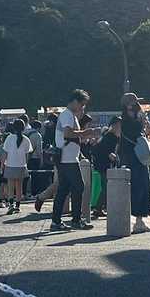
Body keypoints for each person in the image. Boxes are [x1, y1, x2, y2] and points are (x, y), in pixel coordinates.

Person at [50, 91, 91, 231]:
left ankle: (56, 221)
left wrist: (84, 135)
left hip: (66, 157)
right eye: (82, 104)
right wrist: (86, 133)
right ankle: (76, 220)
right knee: (78, 187)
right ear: (74, 101)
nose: (82, 107)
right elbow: (68, 133)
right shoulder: (67, 115)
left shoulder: (69, 115)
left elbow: (70, 135)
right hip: (67, 158)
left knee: (63, 189)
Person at [119, 94, 150, 234]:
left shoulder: (132, 120)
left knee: (143, 187)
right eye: (135, 103)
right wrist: (141, 120)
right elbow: (135, 134)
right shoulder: (127, 121)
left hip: (137, 157)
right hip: (134, 159)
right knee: (138, 187)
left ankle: (140, 221)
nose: (138, 106)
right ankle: (136, 221)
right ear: (129, 105)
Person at [89, 117, 121, 218]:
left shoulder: (111, 136)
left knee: (107, 187)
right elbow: (101, 149)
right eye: (118, 125)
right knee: (106, 187)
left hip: (105, 164)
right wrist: (110, 155)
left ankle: (100, 208)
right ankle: (98, 208)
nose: (120, 127)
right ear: (114, 126)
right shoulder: (109, 136)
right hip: (103, 165)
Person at [0, 117, 32, 214]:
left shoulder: (9, 138)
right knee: (19, 186)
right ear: (23, 128)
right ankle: (17, 206)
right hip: (21, 165)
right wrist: (25, 164)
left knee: (10, 186)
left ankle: (11, 205)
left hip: (10, 164)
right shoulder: (26, 139)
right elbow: (27, 155)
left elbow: (5, 153)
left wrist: (2, 165)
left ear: (13, 127)